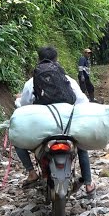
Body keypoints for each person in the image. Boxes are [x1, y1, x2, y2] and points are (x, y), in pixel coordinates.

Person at [14, 46, 96, 194]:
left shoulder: (31, 82)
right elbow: (82, 101)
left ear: (39, 60)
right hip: (67, 127)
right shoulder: (68, 80)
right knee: (81, 147)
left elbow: (24, 106)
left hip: (41, 128)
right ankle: (89, 184)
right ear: (56, 60)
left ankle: (32, 172)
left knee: (18, 142)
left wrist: (18, 103)